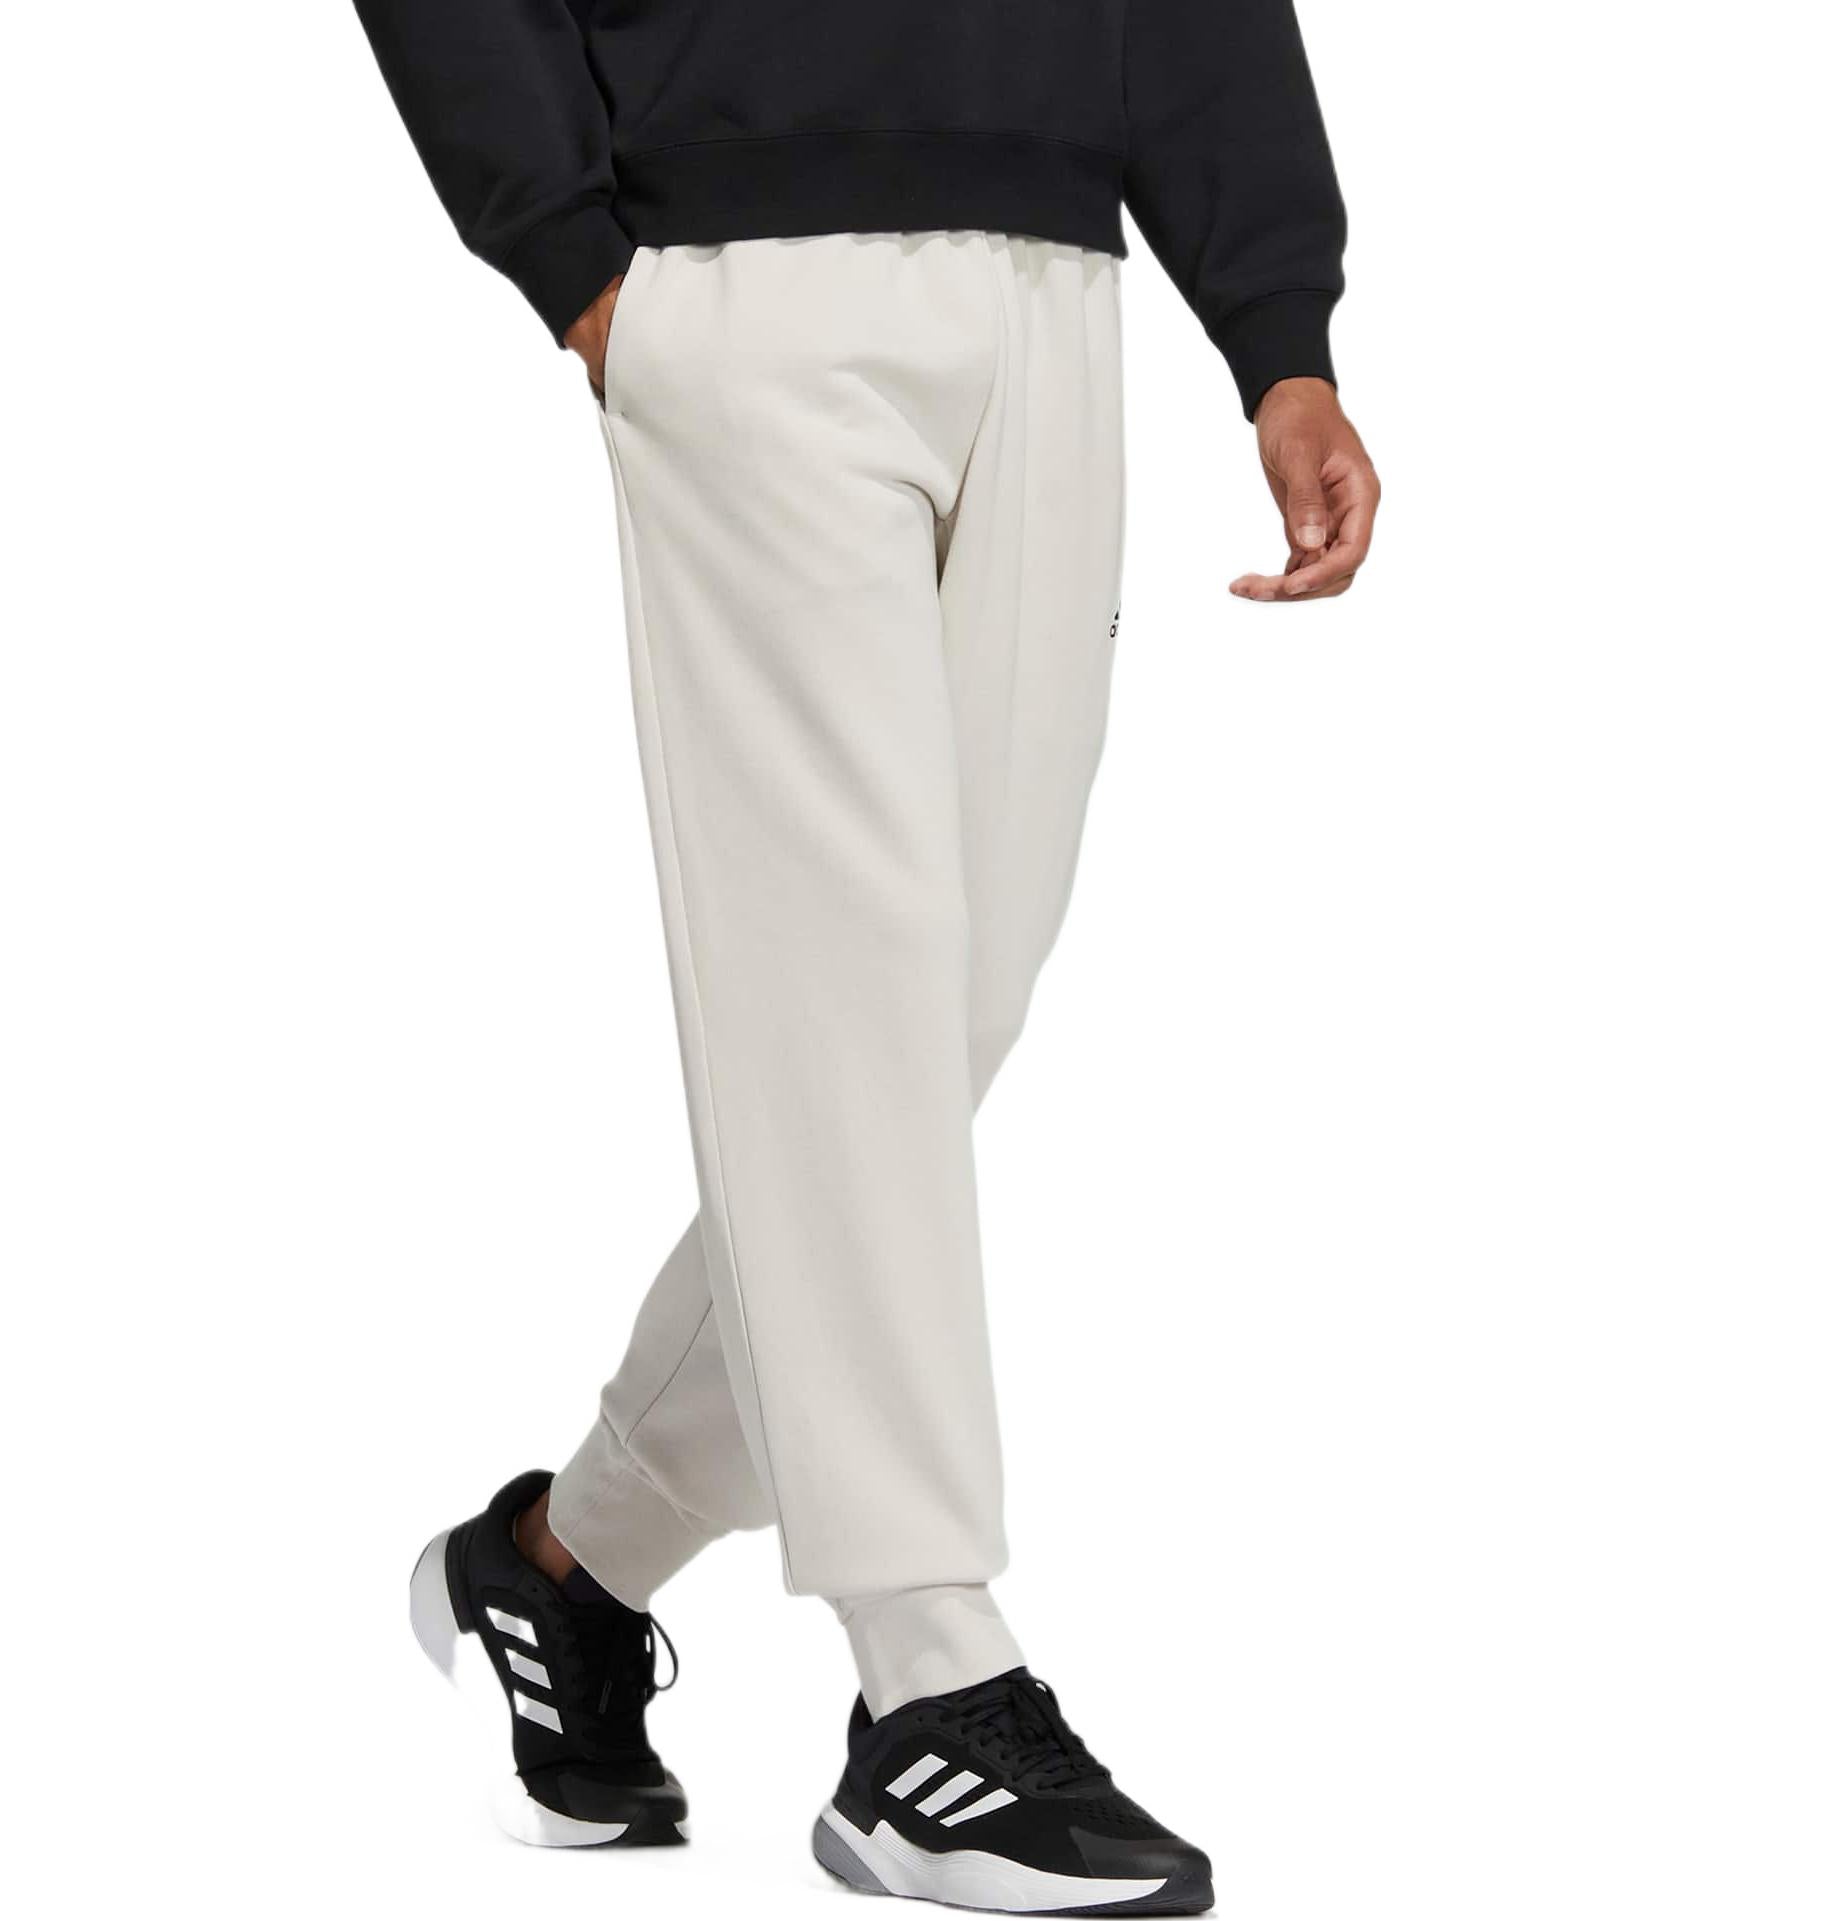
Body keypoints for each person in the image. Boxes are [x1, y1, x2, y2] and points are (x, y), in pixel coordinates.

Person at [358, 0, 1379, 1908]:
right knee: (838, 998)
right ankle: (928, 1683)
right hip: (738, 277)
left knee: (939, 1010)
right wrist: (577, 266)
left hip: (1054, 279)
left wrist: (1278, 331)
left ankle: (565, 1562)